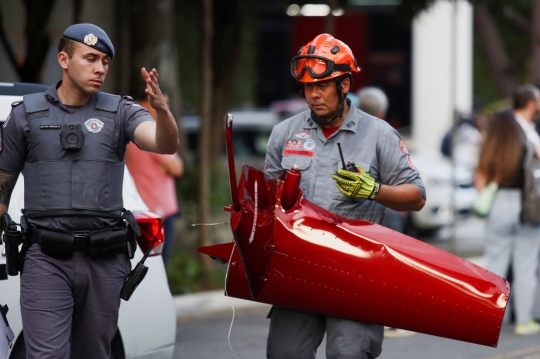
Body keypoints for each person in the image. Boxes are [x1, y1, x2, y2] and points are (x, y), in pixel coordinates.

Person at [0, 23, 179, 358]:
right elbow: (2, 187)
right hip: (45, 259)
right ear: (64, 59)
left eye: (105, 62)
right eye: (91, 58)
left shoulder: (122, 111)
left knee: (93, 352)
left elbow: (163, 144)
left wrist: (163, 111)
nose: (100, 69)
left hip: (104, 260)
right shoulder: (25, 115)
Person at [264, 33, 426, 359]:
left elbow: (417, 196)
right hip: (299, 271)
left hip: (356, 272)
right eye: (308, 87)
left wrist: (374, 190)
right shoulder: (285, 133)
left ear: (345, 85)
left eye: (322, 86)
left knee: (348, 355)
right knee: (284, 354)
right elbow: (266, 201)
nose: (313, 95)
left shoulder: (379, 134)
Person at [475, 107, 540, 335]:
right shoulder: (525, 146)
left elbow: (479, 184)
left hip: (498, 204)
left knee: (495, 265)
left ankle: (493, 318)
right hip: (525, 205)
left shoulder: (489, 149)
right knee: (526, 266)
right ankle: (524, 320)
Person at [356, 86, 414, 339]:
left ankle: (366, 310)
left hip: (357, 212)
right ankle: (392, 317)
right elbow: (404, 178)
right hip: (387, 207)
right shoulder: (387, 134)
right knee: (390, 263)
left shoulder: (348, 135)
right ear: (382, 111)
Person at [125, 94, 183, 267]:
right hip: (158, 210)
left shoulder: (129, 132)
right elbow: (178, 167)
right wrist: (170, 164)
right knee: (158, 265)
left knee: (141, 265)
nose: (163, 109)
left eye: (165, 104)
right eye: (159, 104)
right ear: (143, 103)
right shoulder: (150, 133)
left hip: (139, 208)